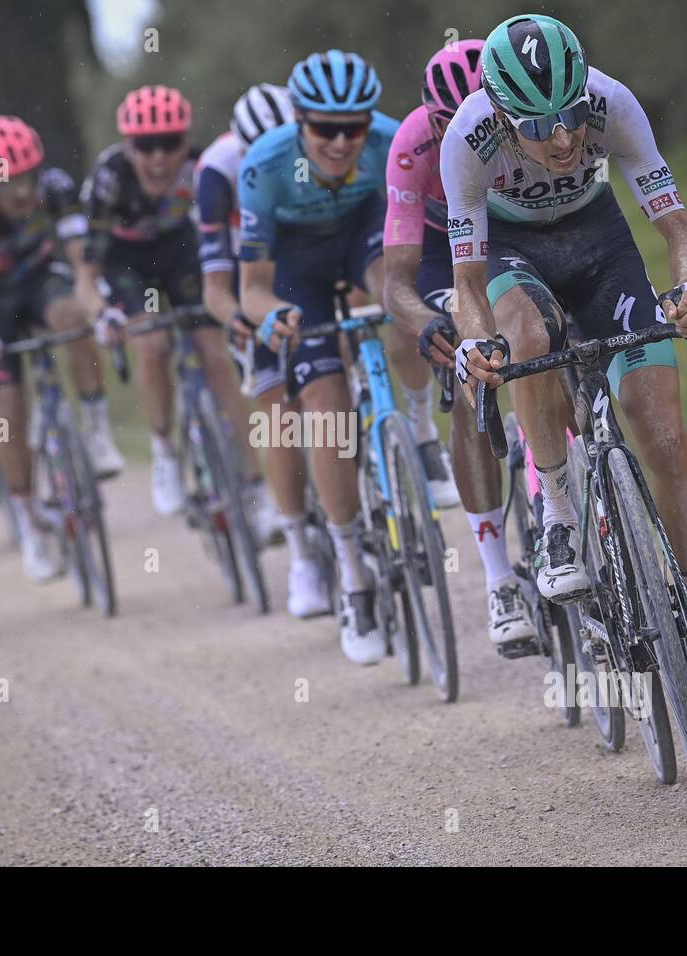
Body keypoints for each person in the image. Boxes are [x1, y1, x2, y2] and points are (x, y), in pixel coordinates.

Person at [446, 14, 687, 723]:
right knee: (524, 334)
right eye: (537, 124)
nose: (562, 139)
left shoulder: (612, 101)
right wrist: (479, 342)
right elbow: (467, 286)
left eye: (571, 115)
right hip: (512, 254)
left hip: (601, 241)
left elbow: (680, 232)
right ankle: (557, 510)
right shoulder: (467, 138)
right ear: (498, 112)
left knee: (666, 436)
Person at [240, 49, 423, 664]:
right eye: (326, 129)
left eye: (355, 128)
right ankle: (351, 574)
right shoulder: (263, 167)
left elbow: (426, 232)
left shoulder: (391, 140)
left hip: (365, 235)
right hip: (296, 267)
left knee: (398, 294)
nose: (343, 143)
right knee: (324, 407)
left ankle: (420, 433)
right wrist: (272, 315)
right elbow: (251, 285)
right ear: (299, 121)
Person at [383, 39, 536, 651]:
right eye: (449, 122)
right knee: (474, 381)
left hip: (510, 235)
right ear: (431, 118)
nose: (465, 133)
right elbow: (395, 281)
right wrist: (424, 320)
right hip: (440, 260)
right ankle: (499, 578)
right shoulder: (410, 146)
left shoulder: (527, 122)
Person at [74, 85, 270, 528]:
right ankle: (164, 450)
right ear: (129, 146)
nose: (159, 157)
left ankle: (255, 485)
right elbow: (87, 274)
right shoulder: (109, 178)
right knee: (153, 343)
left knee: (216, 355)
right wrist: (101, 311)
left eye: (170, 144)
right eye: (146, 146)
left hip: (181, 251)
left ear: (185, 142)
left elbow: (228, 237)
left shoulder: (201, 169)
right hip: (127, 264)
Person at [0, 115, 123, 583]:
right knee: (7, 408)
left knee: (72, 317)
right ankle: (29, 523)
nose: (23, 194)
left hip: (37, 282)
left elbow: (78, 257)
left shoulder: (55, 185)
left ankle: (94, 426)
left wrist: (101, 307)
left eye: (28, 179)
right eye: (10, 184)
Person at [198, 82, 334, 617]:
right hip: (248, 275)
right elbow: (216, 285)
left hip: (305, 258)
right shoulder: (216, 173)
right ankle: (301, 554)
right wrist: (236, 319)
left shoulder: (318, 149)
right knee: (275, 407)